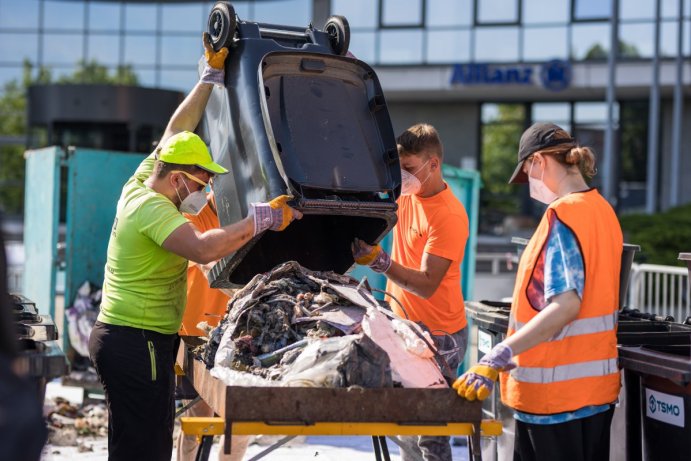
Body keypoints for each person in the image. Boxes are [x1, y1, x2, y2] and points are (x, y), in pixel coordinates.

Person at [88, 33, 301, 461]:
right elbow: (204, 249)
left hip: (134, 339)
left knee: (136, 444)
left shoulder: (144, 178)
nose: (205, 189)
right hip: (137, 340)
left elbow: (175, 130)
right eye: (201, 181)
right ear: (178, 178)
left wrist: (209, 76)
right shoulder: (151, 209)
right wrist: (261, 219)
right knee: (144, 450)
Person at [454, 123, 622, 461]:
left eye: (527, 171)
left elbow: (565, 305)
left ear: (539, 162)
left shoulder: (564, 214)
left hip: (553, 401)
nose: (528, 184)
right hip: (594, 397)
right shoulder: (603, 211)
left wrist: (499, 352)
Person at [352, 123, 469, 461]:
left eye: (408, 168)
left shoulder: (449, 216)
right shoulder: (405, 196)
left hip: (441, 336)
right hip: (403, 324)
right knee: (404, 424)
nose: (402, 177)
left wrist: (381, 263)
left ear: (433, 164)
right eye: (399, 168)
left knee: (430, 434)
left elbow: (428, 285)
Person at [176, 191, 249, 461]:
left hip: (237, 335)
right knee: (199, 421)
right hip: (196, 334)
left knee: (241, 422)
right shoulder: (192, 216)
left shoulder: (248, 218)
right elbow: (209, 263)